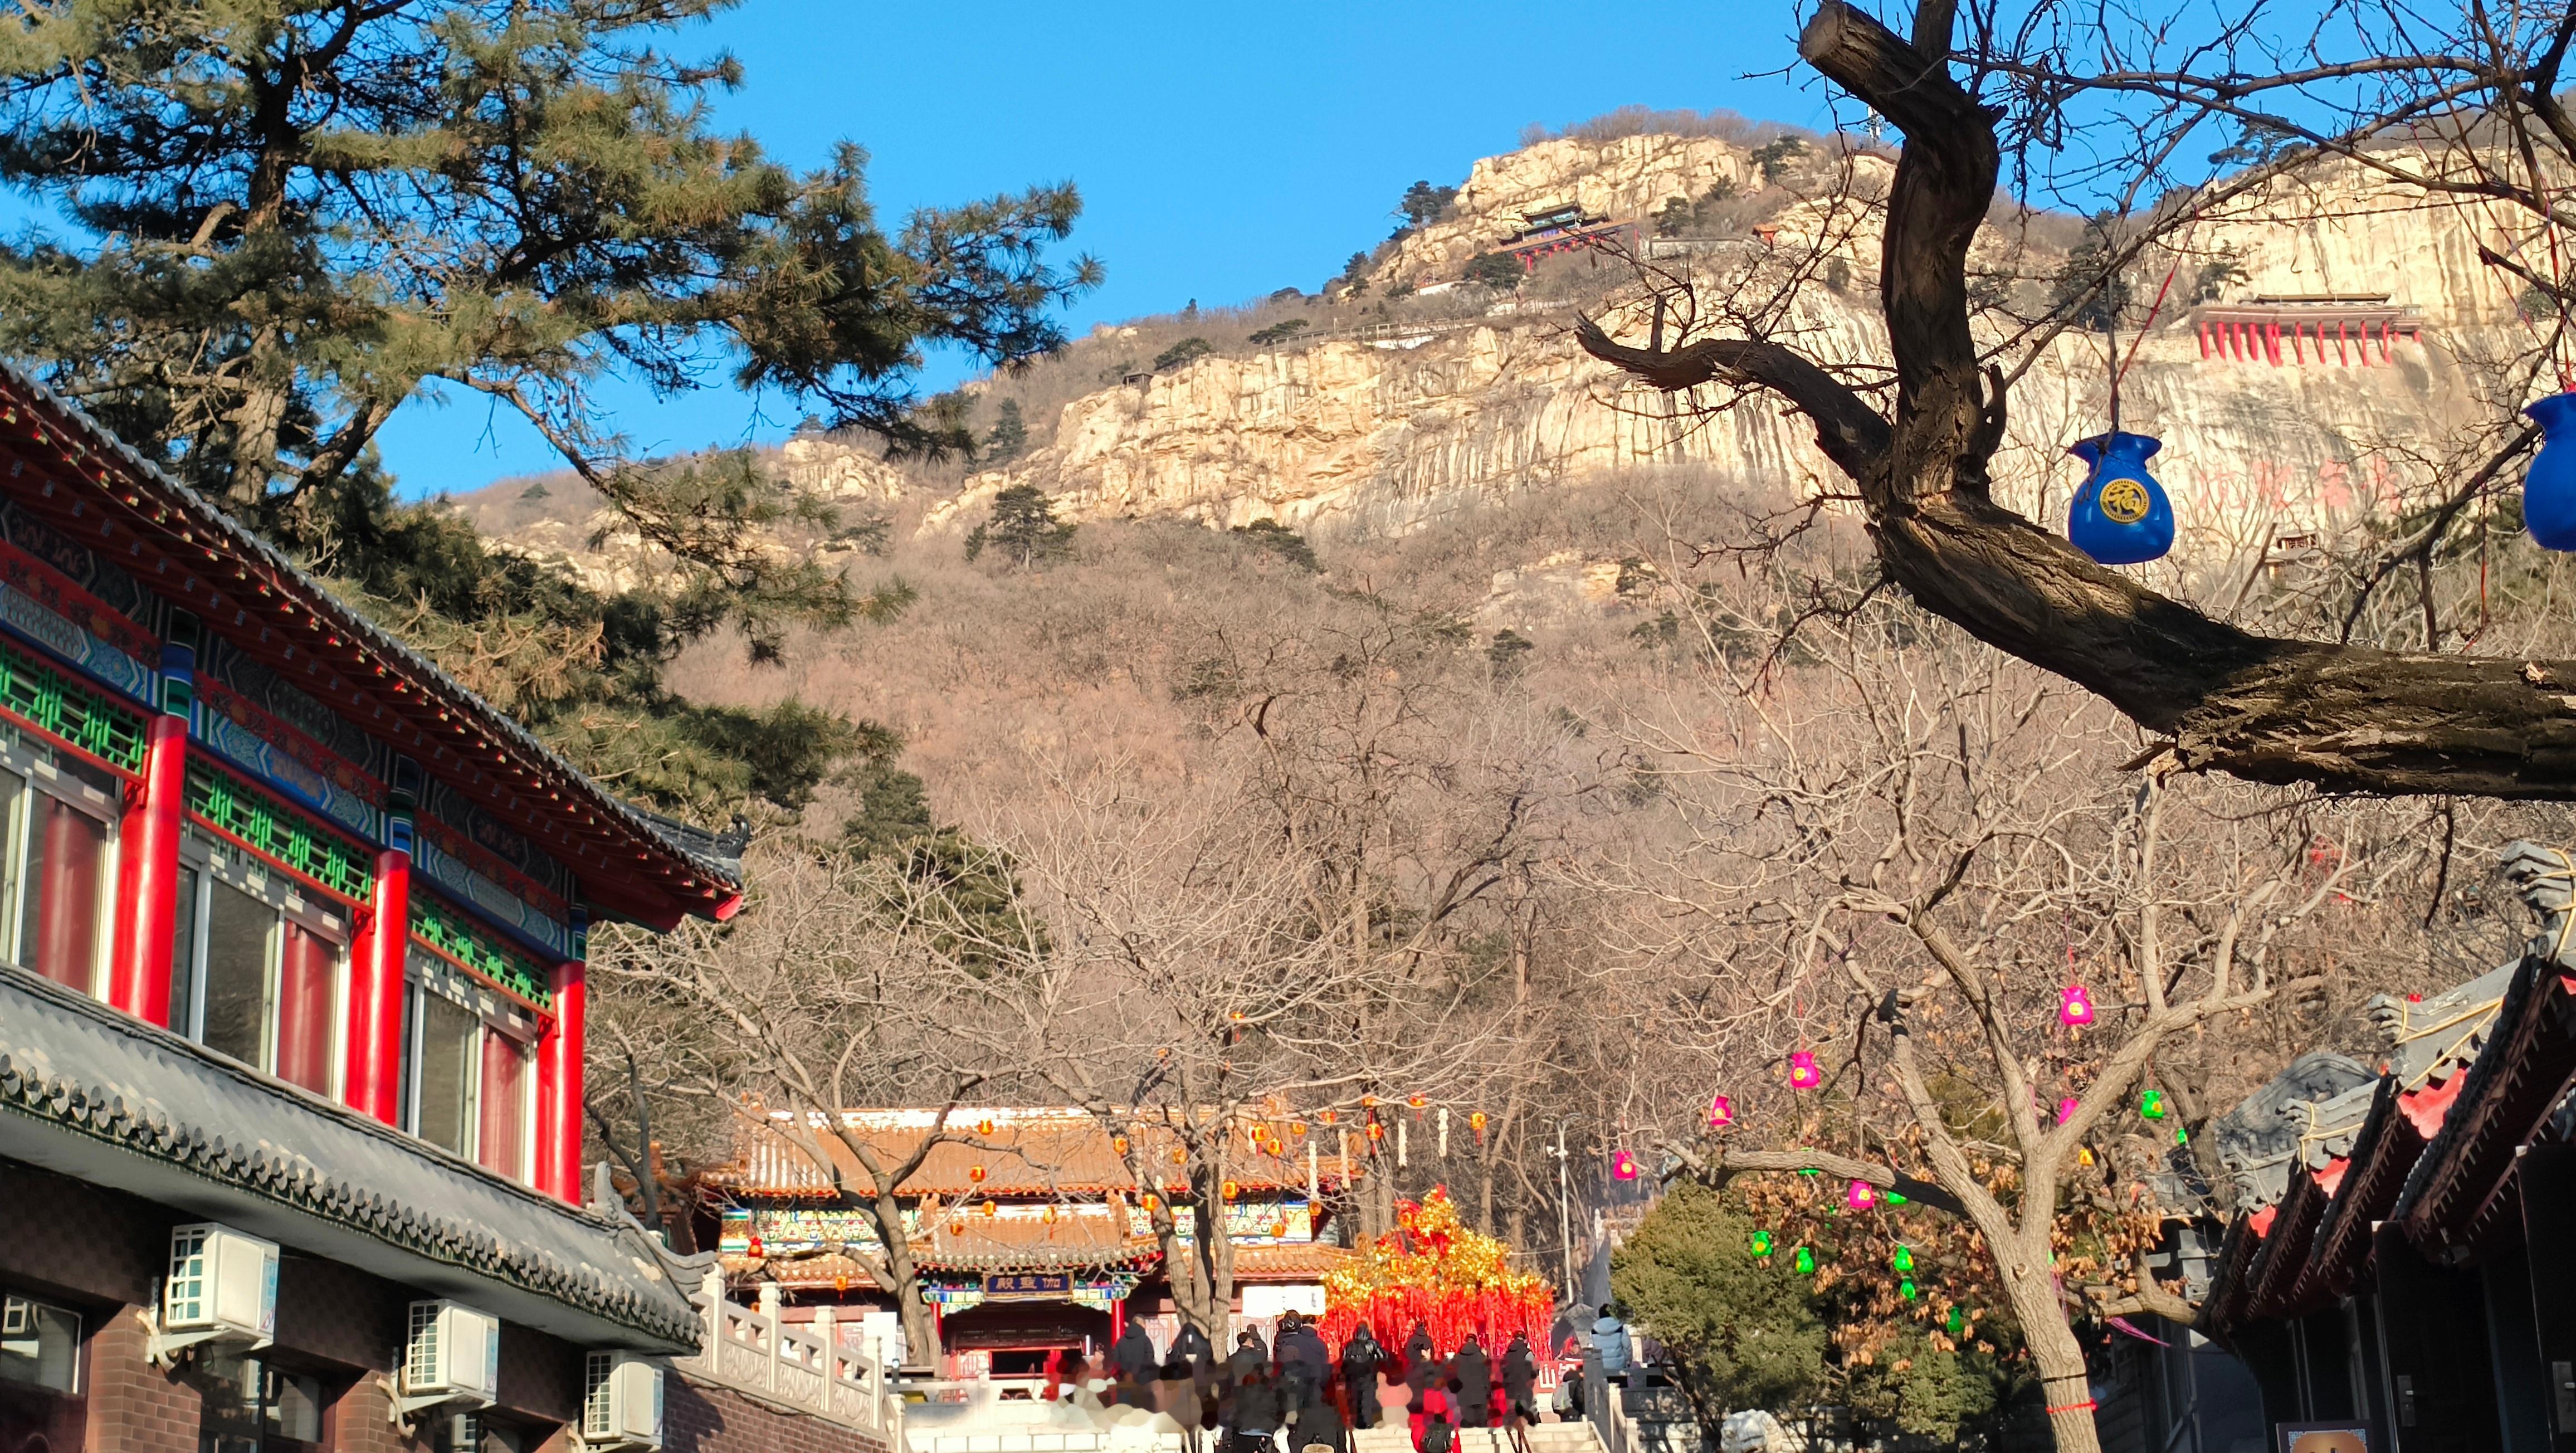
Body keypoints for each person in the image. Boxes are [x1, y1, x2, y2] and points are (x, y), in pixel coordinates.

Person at [1339, 1323, 1388, 1430]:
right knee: (1368, 1398)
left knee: (1357, 1398)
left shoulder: (1350, 1345)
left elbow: (1344, 1360)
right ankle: (1367, 1422)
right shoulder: (1373, 1344)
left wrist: (1344, 1373)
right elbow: (1383, 1357)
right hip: (1369, 1374)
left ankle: (1360, 1422)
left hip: (1353, 1376)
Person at [1227, 1361, 1283, 1453]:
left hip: (1244, 1432)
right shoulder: (1272, 1394)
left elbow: (1232, 1414)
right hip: (1265, 1432)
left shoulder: (1241, 1393)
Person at [1291, 1370, 1351, 1453]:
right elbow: (1341, 1440)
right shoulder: (1336, 1411)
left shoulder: (1303, 1412)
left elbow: (1297, 1437)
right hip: (1329, 1447)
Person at [1448, 1333, 1491, 1429]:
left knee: (1467, 1424)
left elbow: (1451, 1376)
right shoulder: (1481, 1358)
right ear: (1475, 1342)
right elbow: (1486, 1376)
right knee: (1481, 1424)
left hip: (1464, 1395)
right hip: (1480, 1394)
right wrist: (1488, 1392)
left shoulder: (1457, 1358)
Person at [1113, 1320, 1160, 1406]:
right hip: (1142, 1377)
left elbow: (1115, 1358)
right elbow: (1150, 1355)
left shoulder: (1121, 1341)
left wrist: (1123, 1370)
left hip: (1125, 1378)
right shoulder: (1145, 1339)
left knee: (1125, 1406)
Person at [1500, 1332, 1539, 1427]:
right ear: (1525, 1340)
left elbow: (1502, 1370)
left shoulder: (1507, 1355)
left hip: (1509, 1386)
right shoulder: (1527, 1353)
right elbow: (1535, 1368)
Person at [1402, 1323, 1437, 1416]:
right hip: (1426, 1366)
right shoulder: (1428, 1339)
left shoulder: (1412, 1339)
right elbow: (1432, 1352)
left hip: (1415, 1366)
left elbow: (1407, 1352)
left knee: (1415, 1389)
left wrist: (1414, 1359)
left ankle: (1416, 1411)